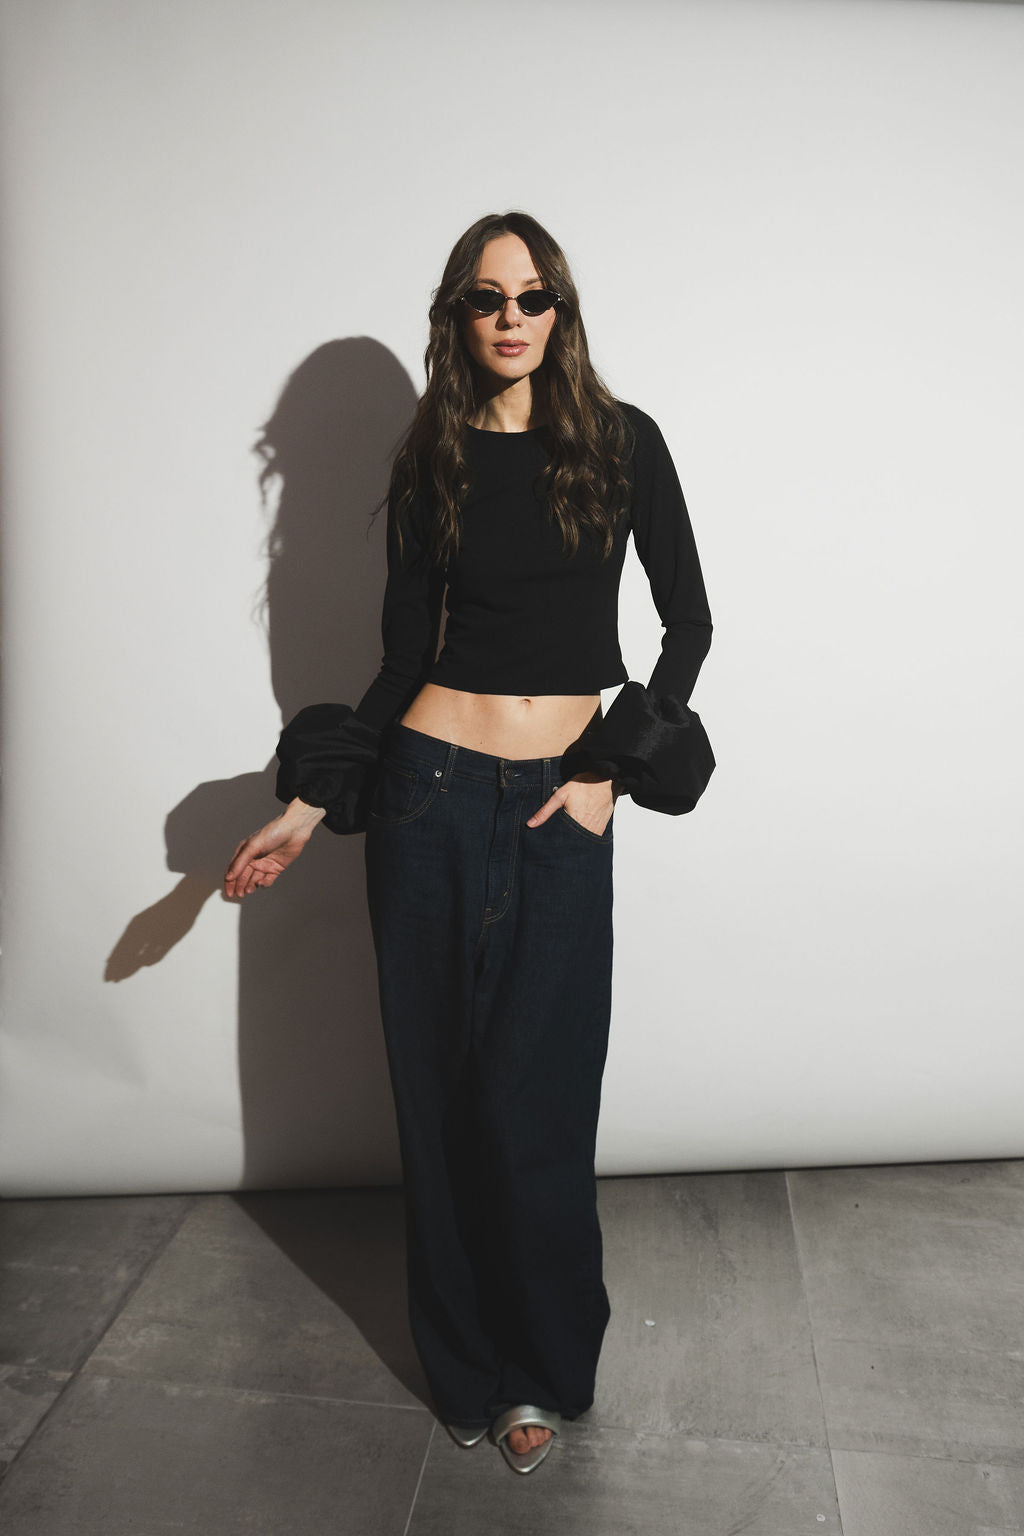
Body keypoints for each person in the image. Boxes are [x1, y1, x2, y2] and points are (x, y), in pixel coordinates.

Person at [223, 210, 715, 1475]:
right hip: (425, 798)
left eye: (533, 295)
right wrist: (307, 807)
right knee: (438, 1096)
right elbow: (401, 660)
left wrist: (609, 773)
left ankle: (539, 1368)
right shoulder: (432, 456)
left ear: (561, 311)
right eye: (487, 298)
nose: (512, 317)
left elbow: (689, 625)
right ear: (456, 316)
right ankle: (463, 1367)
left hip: (561, 800)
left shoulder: (622, 442)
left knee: (538, 1098)